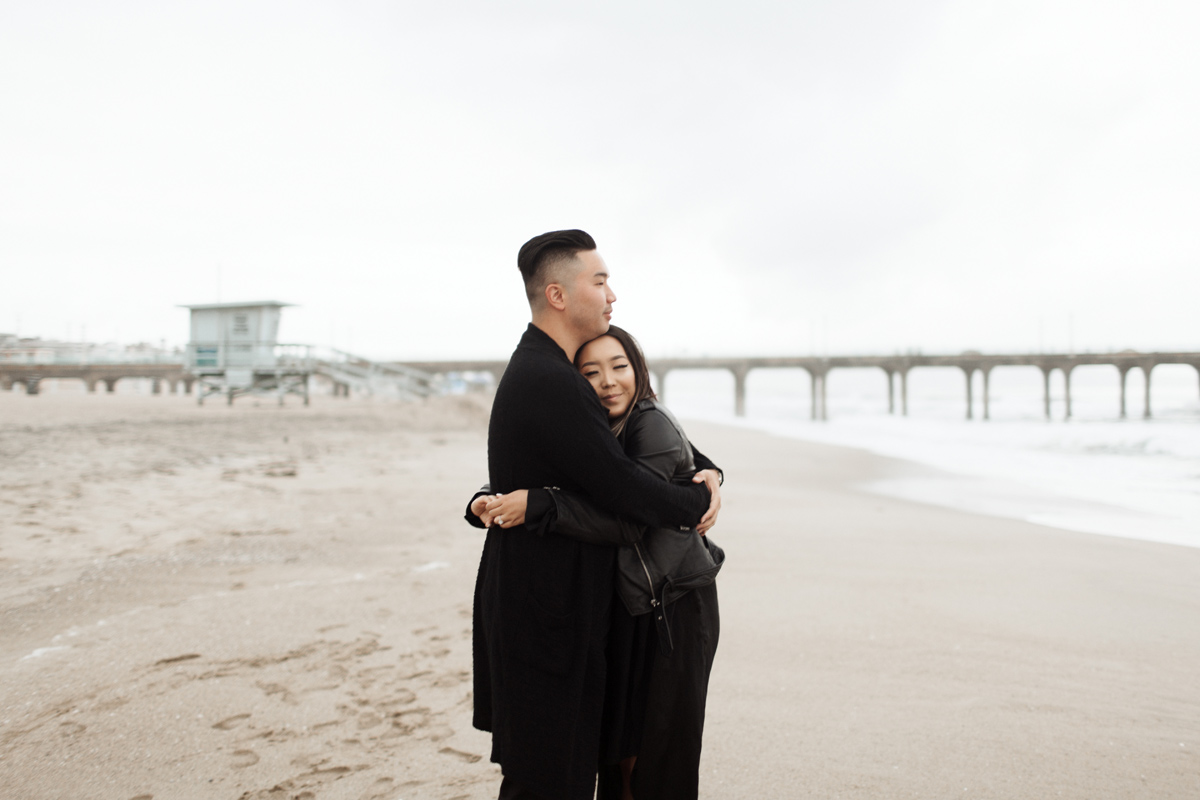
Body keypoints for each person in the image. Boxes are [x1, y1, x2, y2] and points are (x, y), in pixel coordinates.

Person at [466, 230, 722, 800]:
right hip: (544, 613)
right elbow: (622, 486)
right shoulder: (549, 379)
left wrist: (706, 469)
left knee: (560, 770)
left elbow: (618, 450)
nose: (612, 295)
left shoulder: (545, 370)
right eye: (599, 280)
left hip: (551, 607)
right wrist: (697, 502)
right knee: (547, 779)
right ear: (558, 295)